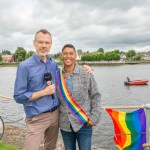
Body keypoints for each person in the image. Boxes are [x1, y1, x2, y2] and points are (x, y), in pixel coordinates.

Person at [13, 29, 93, 150]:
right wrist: (43, 93)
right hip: (37, 118)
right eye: (40, 42)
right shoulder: (25, 66)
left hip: (56, 116)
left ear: (50, 45)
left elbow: (69, 72)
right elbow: (18, 96)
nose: (44, 46)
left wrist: (86, 68)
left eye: (47, 43)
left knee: (50, 148)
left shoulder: (53, 64)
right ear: (34, 43)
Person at [56, 44, 101, 150]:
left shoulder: (86, 73)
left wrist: (94, 118)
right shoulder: (56, 75)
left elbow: (96, 96)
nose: (68, 56)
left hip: (84, 123)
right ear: (61, 56)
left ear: (75, 56)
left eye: (71, 53)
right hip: (65, 124)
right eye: (65, 54)